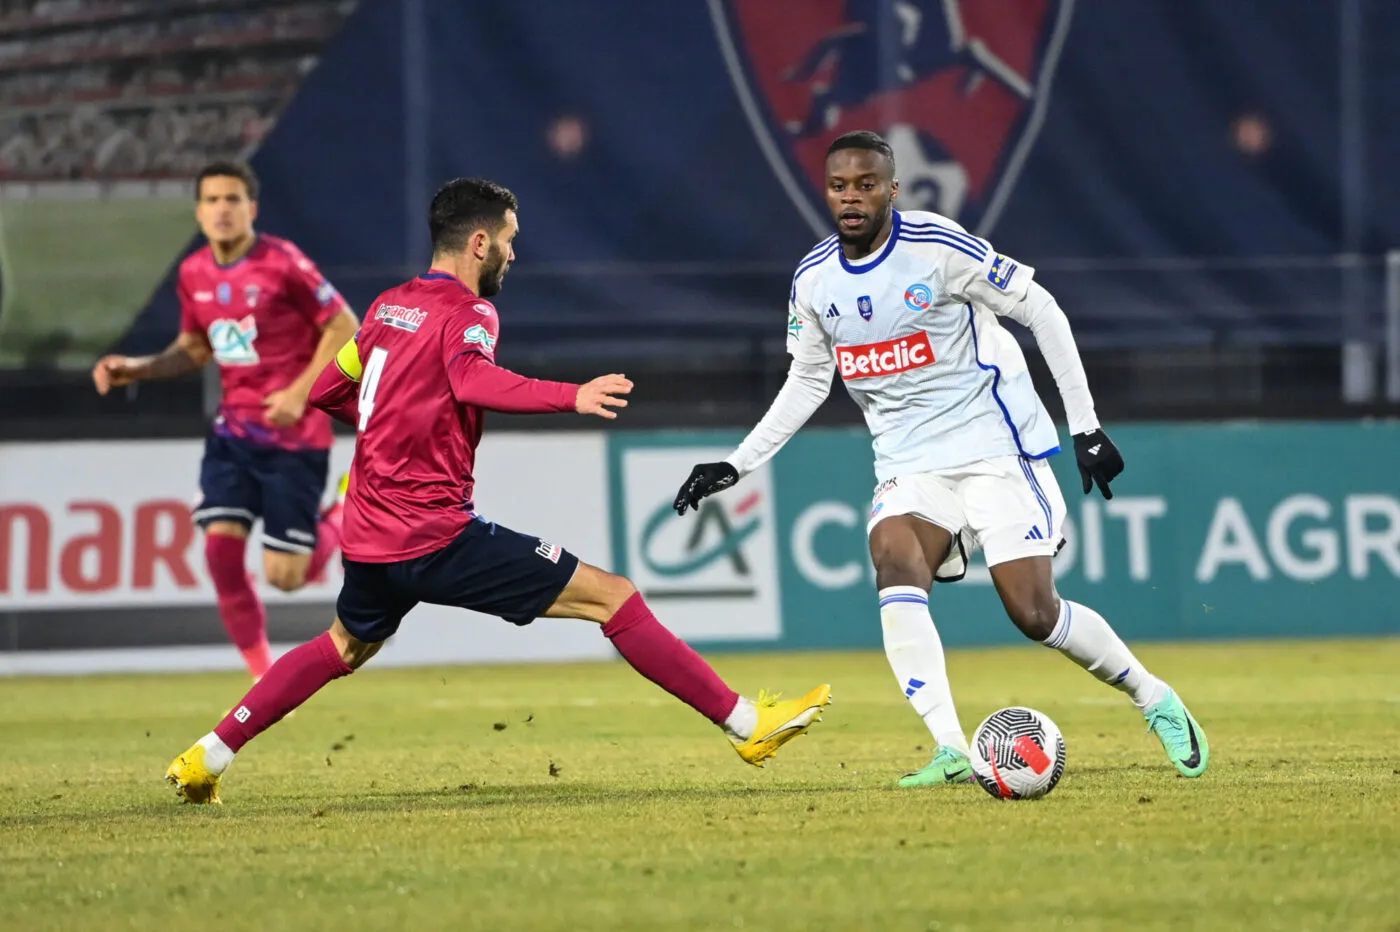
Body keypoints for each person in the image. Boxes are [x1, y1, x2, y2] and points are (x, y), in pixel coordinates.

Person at [164, 177, 831, 804]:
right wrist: (573, 395)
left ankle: (207, 757)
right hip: (433, 535)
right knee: (614, 597)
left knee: (342, 645)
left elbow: (327, 391)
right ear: (479, 242)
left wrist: (398, 417)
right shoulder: (469, 311)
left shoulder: (387, 307)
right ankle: (747, 725)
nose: (513, 252)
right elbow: (472, 380)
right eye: (509, 239)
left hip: (368, 538)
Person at [674, 131, 1208, 787]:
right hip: (907, 461)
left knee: (1034, 613)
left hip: (994, 447)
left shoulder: (937, 249)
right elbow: (809, 380)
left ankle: (1155, 698)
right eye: (840, 185)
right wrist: (738, 463)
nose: (852, 197)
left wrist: (1086, 427)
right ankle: (952, 748)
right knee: (893, 556)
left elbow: (1041, 310)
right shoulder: (814, 280)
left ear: (892, 190)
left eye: (867, 185)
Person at [93, 161, 358, 681]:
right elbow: (196, 347)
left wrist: (300, 395)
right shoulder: (194, 273)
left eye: (233, 199)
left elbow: (346, 325)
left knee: (287, 577)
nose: (222, 209)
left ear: (251, 209)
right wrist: (138, 369)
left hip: (294, 437)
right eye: (212, 200)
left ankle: (341, 514)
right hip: (233, 434)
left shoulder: (282, 263)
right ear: (198, 211)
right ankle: (262, 676)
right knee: (220, 551)